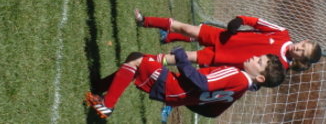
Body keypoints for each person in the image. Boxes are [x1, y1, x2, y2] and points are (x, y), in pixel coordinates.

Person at [84, 47, 285, 119]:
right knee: (136, 57)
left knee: (138, 62)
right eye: (259, 56)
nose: (254, 57)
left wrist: (181, 58)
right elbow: (213, 112)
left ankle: (107, 104)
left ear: (260, 78)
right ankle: (99, 87)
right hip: (177, 93)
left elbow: (202, 83)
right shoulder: (241, 90)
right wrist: (187, 100)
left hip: (174, 86)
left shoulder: (236, 75)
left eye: (259, 62)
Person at [135, 10, 322, 72]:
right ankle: (145, 21)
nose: (298, 49)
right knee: (186, 29)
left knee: (182, 57)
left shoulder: (279, 67)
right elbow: (257, 22)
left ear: (302, 60)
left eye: (302, 53)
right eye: (302, 46)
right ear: (304, 40)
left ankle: (144, 62)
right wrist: (240, 20)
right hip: (224, 37)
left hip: (221, 58)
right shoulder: (282, 33)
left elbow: (253, 75)